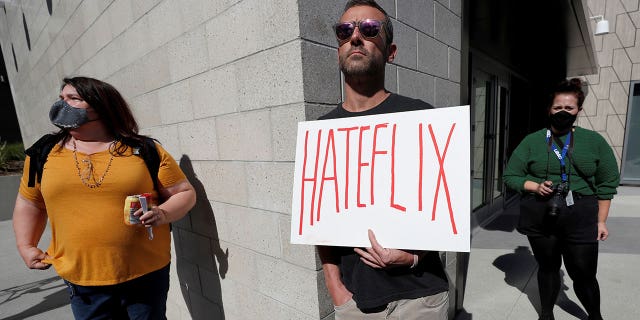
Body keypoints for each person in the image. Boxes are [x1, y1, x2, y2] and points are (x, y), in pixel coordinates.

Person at [12, 76, 196, 319]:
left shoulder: (143, 150)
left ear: (102, 106)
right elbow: (30, 202)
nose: (63, 104)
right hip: (83, 280)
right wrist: (26, 245)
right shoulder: (43, 153)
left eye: (74, 99)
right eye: (61, 99)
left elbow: (184, 193)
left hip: (146, 274)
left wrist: (163, 213)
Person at [316, 1, 449, 319]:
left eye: (370, 29)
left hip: (422, 297)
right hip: (356, 303)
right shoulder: (322, 132)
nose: (356, 37)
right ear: (338, 50)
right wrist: (336, 289)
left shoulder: (421, 116)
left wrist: (413, 258)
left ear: (391, 51)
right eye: (345, 31)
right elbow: (319, 223)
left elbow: (444, 210)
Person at [503, 78, 620, 320]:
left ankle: (595, 316)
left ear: (579, 110)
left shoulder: (594, 141)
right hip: (541, 213)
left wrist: (601, 221)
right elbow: (511, 175)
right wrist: (535, 186)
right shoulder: (532, 141)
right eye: (558, 108)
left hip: (581, 214)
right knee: (548, 268)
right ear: (549, 109)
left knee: (584, 273)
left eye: (569, 108)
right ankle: (546, 314)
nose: (563, 113)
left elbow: (607, 182)